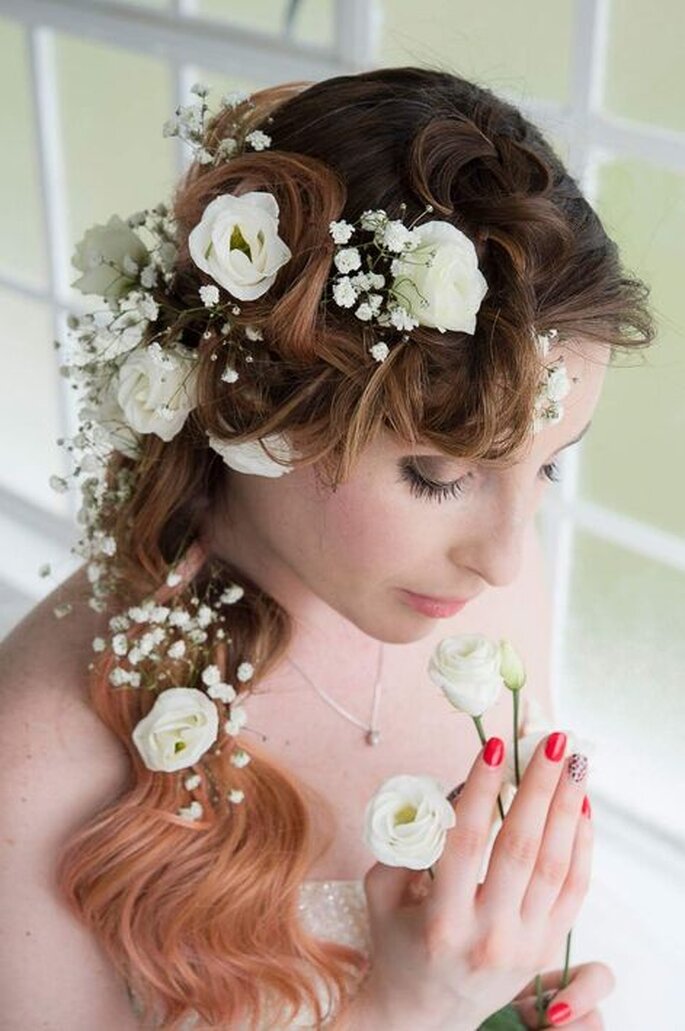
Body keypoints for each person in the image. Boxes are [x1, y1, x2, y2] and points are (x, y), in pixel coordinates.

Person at [0, 65, 655, 1030]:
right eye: (438, 474)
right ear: (258, 405)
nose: (508, 562)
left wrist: (506, 992)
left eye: (549, 468)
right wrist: (402, 1011)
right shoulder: (37, 757)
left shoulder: (472, 587)